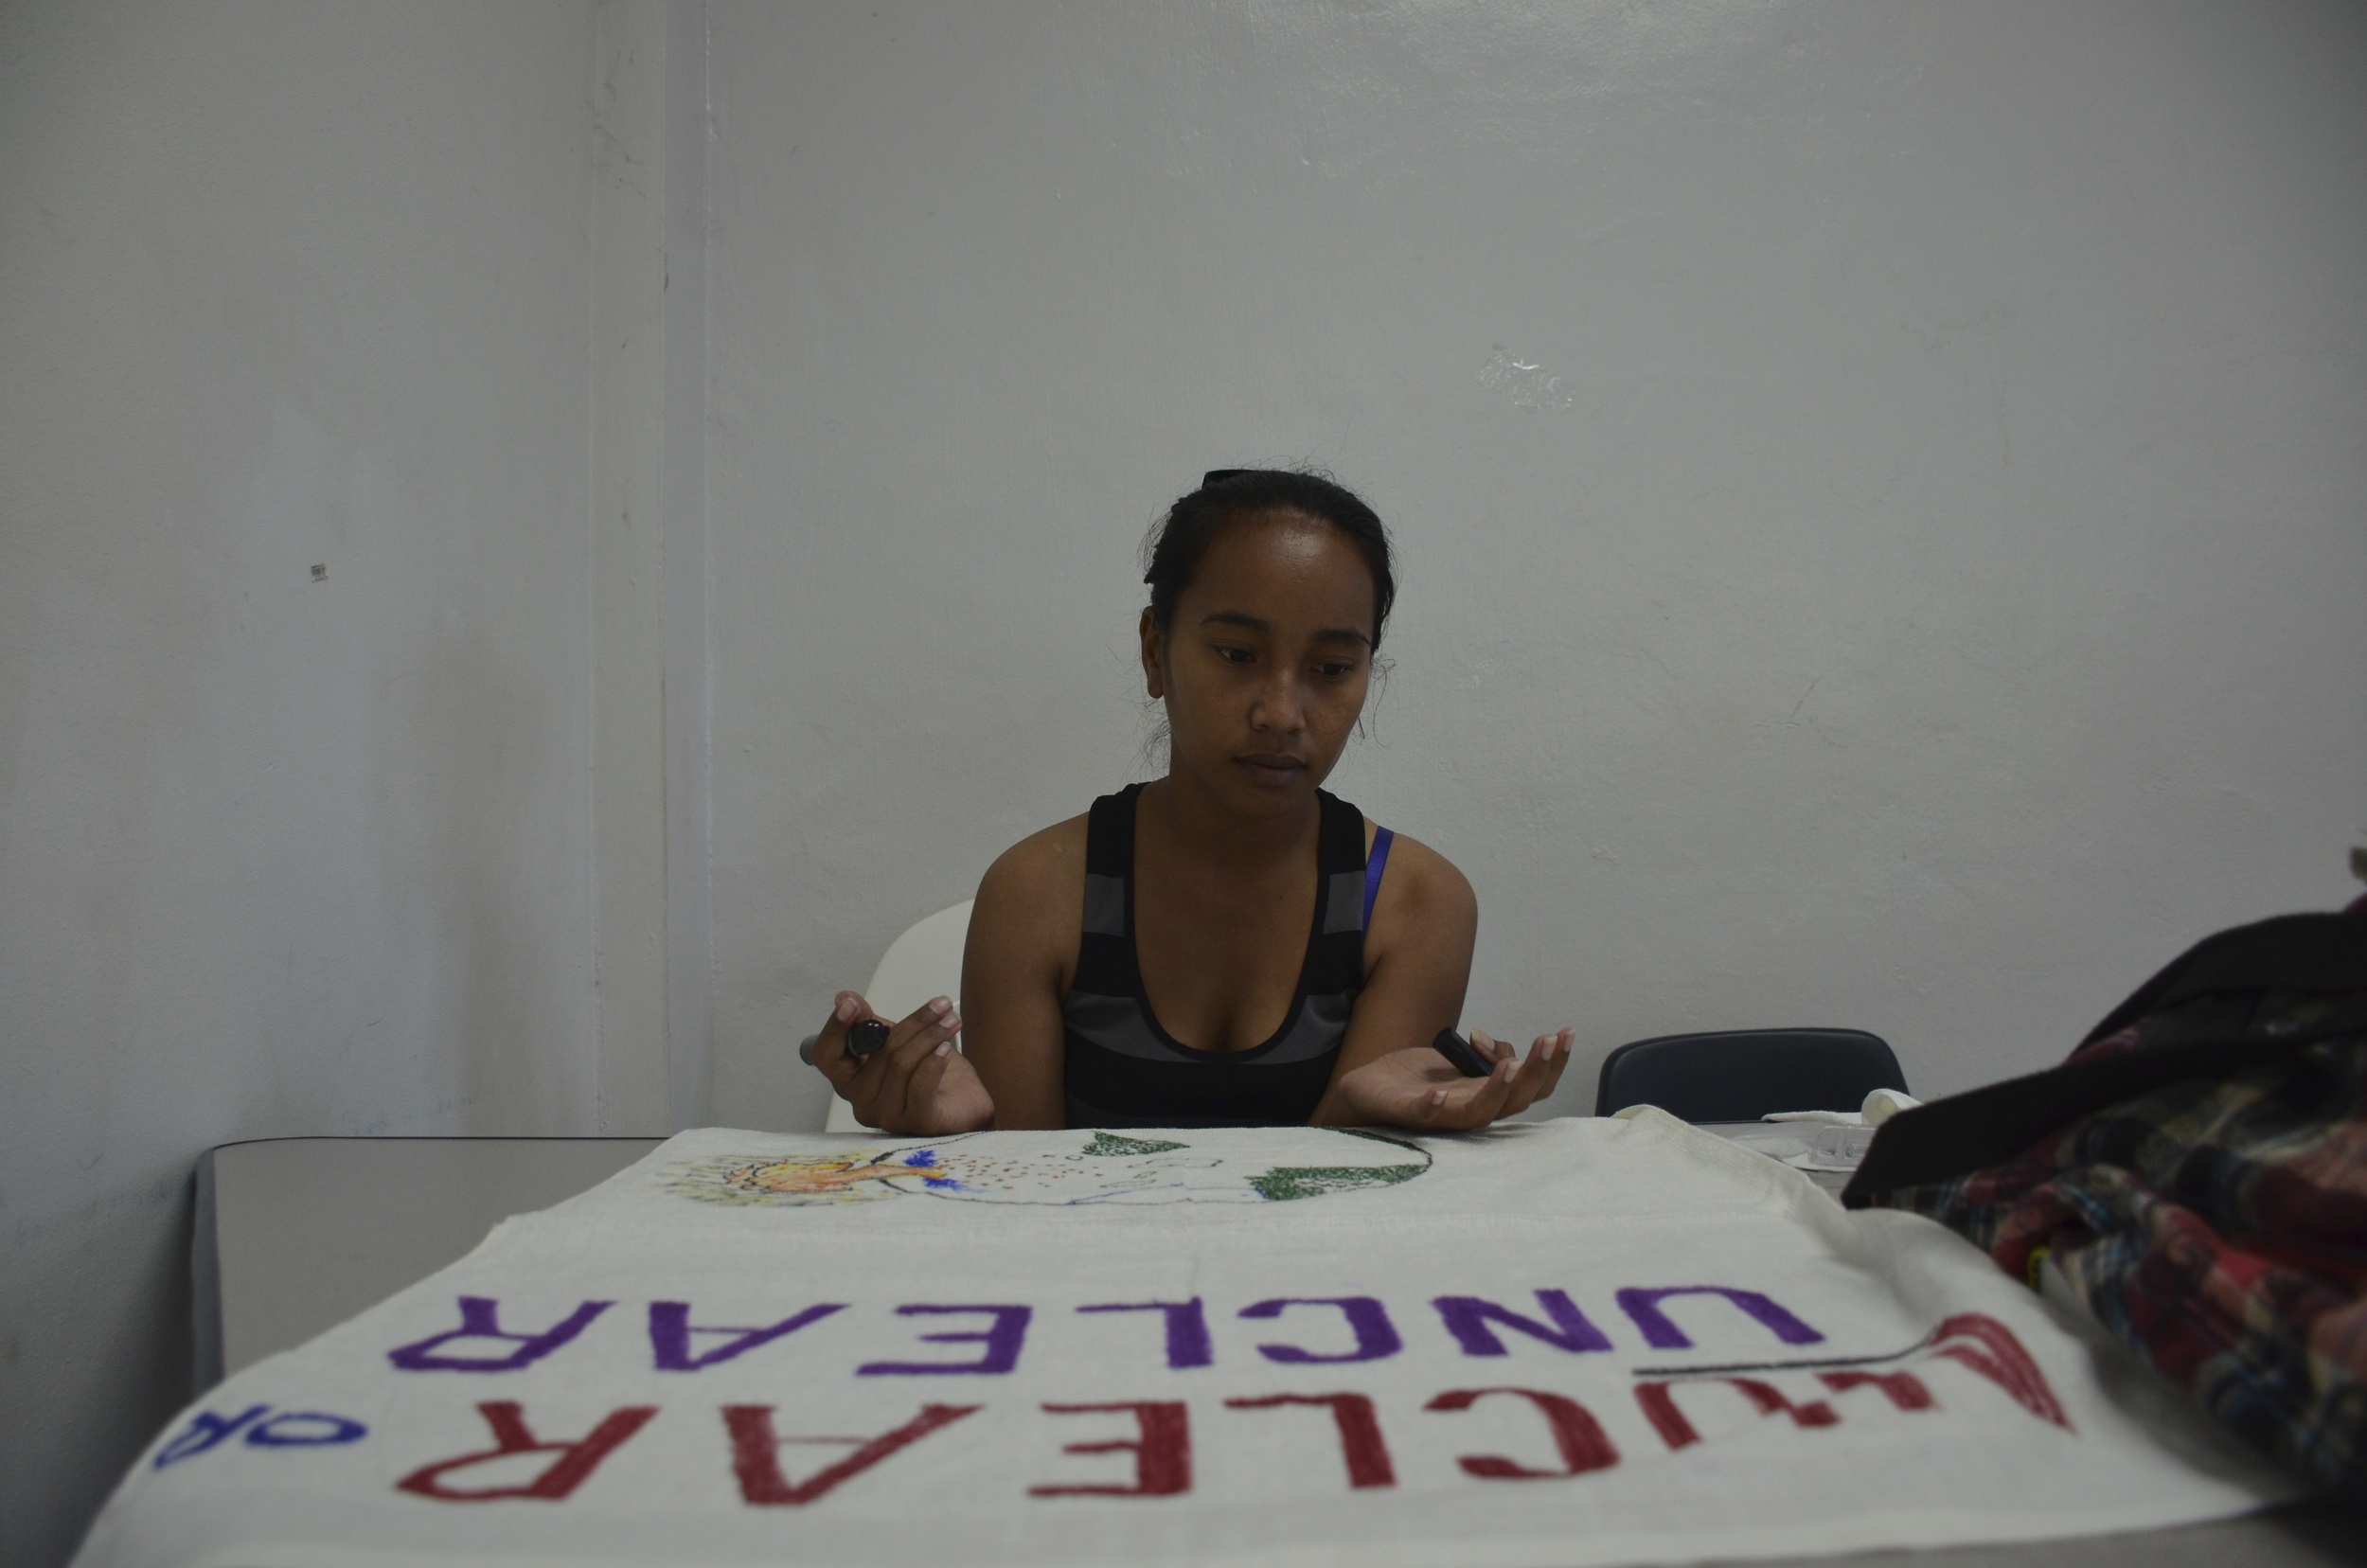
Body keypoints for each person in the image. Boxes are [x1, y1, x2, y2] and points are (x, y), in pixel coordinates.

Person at [808, 468, 1573, 1132]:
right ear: (1154, 651)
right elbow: (1025, 1209)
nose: (1281, 712)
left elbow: (1349, 1223)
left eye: (1333, 667)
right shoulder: (1039, 894)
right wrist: (959, 1133)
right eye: (1237, 655)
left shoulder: (1414, 904)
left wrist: (1362, 1119)